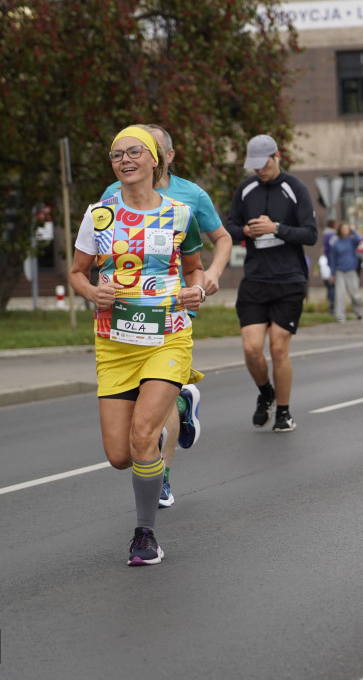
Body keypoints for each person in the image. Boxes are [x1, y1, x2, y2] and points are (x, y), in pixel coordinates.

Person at [69, 125, 206, 565]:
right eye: (115, 155)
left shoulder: (181, 214)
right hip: (114, 343)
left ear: (155, 159)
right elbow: (76, 273)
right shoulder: (99, 216)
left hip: (168, 335)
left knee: (144, 435)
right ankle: (182, 405)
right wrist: (92, 293)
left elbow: (196, 270)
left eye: (133, 152)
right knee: (120, 455)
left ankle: (145, 535)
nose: (124, 160)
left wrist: (196, 291)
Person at [101, 123, 231, 508]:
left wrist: (210, 277)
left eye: (146, 150)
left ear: (167, 156)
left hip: (174, 308)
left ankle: (163, 478)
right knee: (134, 430)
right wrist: (98, 289)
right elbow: (100, 246)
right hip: (126, 317)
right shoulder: (112, 195)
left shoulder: (190, 196)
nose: (134, 158)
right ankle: (181, 402)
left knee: (152, 404)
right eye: (124, 153)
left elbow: (220, 238)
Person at [225, 134, 318, 430]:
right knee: (252, 349)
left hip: (289, 279)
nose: (259, 171)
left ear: (276, 156)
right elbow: (228, 227)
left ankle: (283, 412)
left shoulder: (295, 188)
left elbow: (311, 233)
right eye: (253, 166)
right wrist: (245, 232)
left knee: (278, 349)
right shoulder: (246, 188)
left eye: (263, 164)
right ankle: (266, 391)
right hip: (255, 279)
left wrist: (276, 228)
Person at [327, 221, 363, 322]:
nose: (345, 231)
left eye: (347, 229)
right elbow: (333, 260)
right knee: (340, 294)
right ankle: (340, 316)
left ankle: (359, 312)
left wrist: (353, 230)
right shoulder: (336, 244)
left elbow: (360, 239)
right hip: (340, 272)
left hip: (351, 271)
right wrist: (332, 274)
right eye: (343, 229)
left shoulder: (352, 241)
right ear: (340, 230)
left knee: (354, 294)